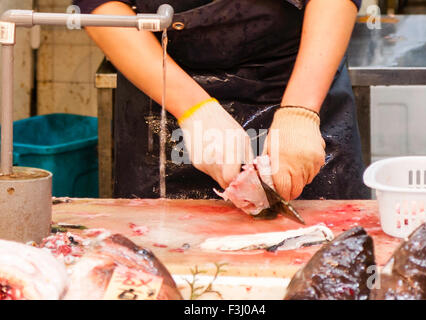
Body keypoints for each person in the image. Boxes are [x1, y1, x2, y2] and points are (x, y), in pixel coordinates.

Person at [74, 0, 370, 201]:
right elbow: (98, 4)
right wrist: (193, 109)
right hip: (161, 81)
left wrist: (301, 110)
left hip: (299, 75)